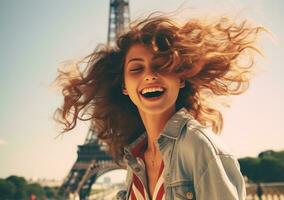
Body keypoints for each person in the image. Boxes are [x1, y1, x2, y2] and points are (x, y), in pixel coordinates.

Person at [55, 12, 264, 200]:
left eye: (161, 66)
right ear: (124, 87)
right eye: (136, 69)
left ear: (180, 78)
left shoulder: (199, 147)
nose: (149, 75)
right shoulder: (136, 159)